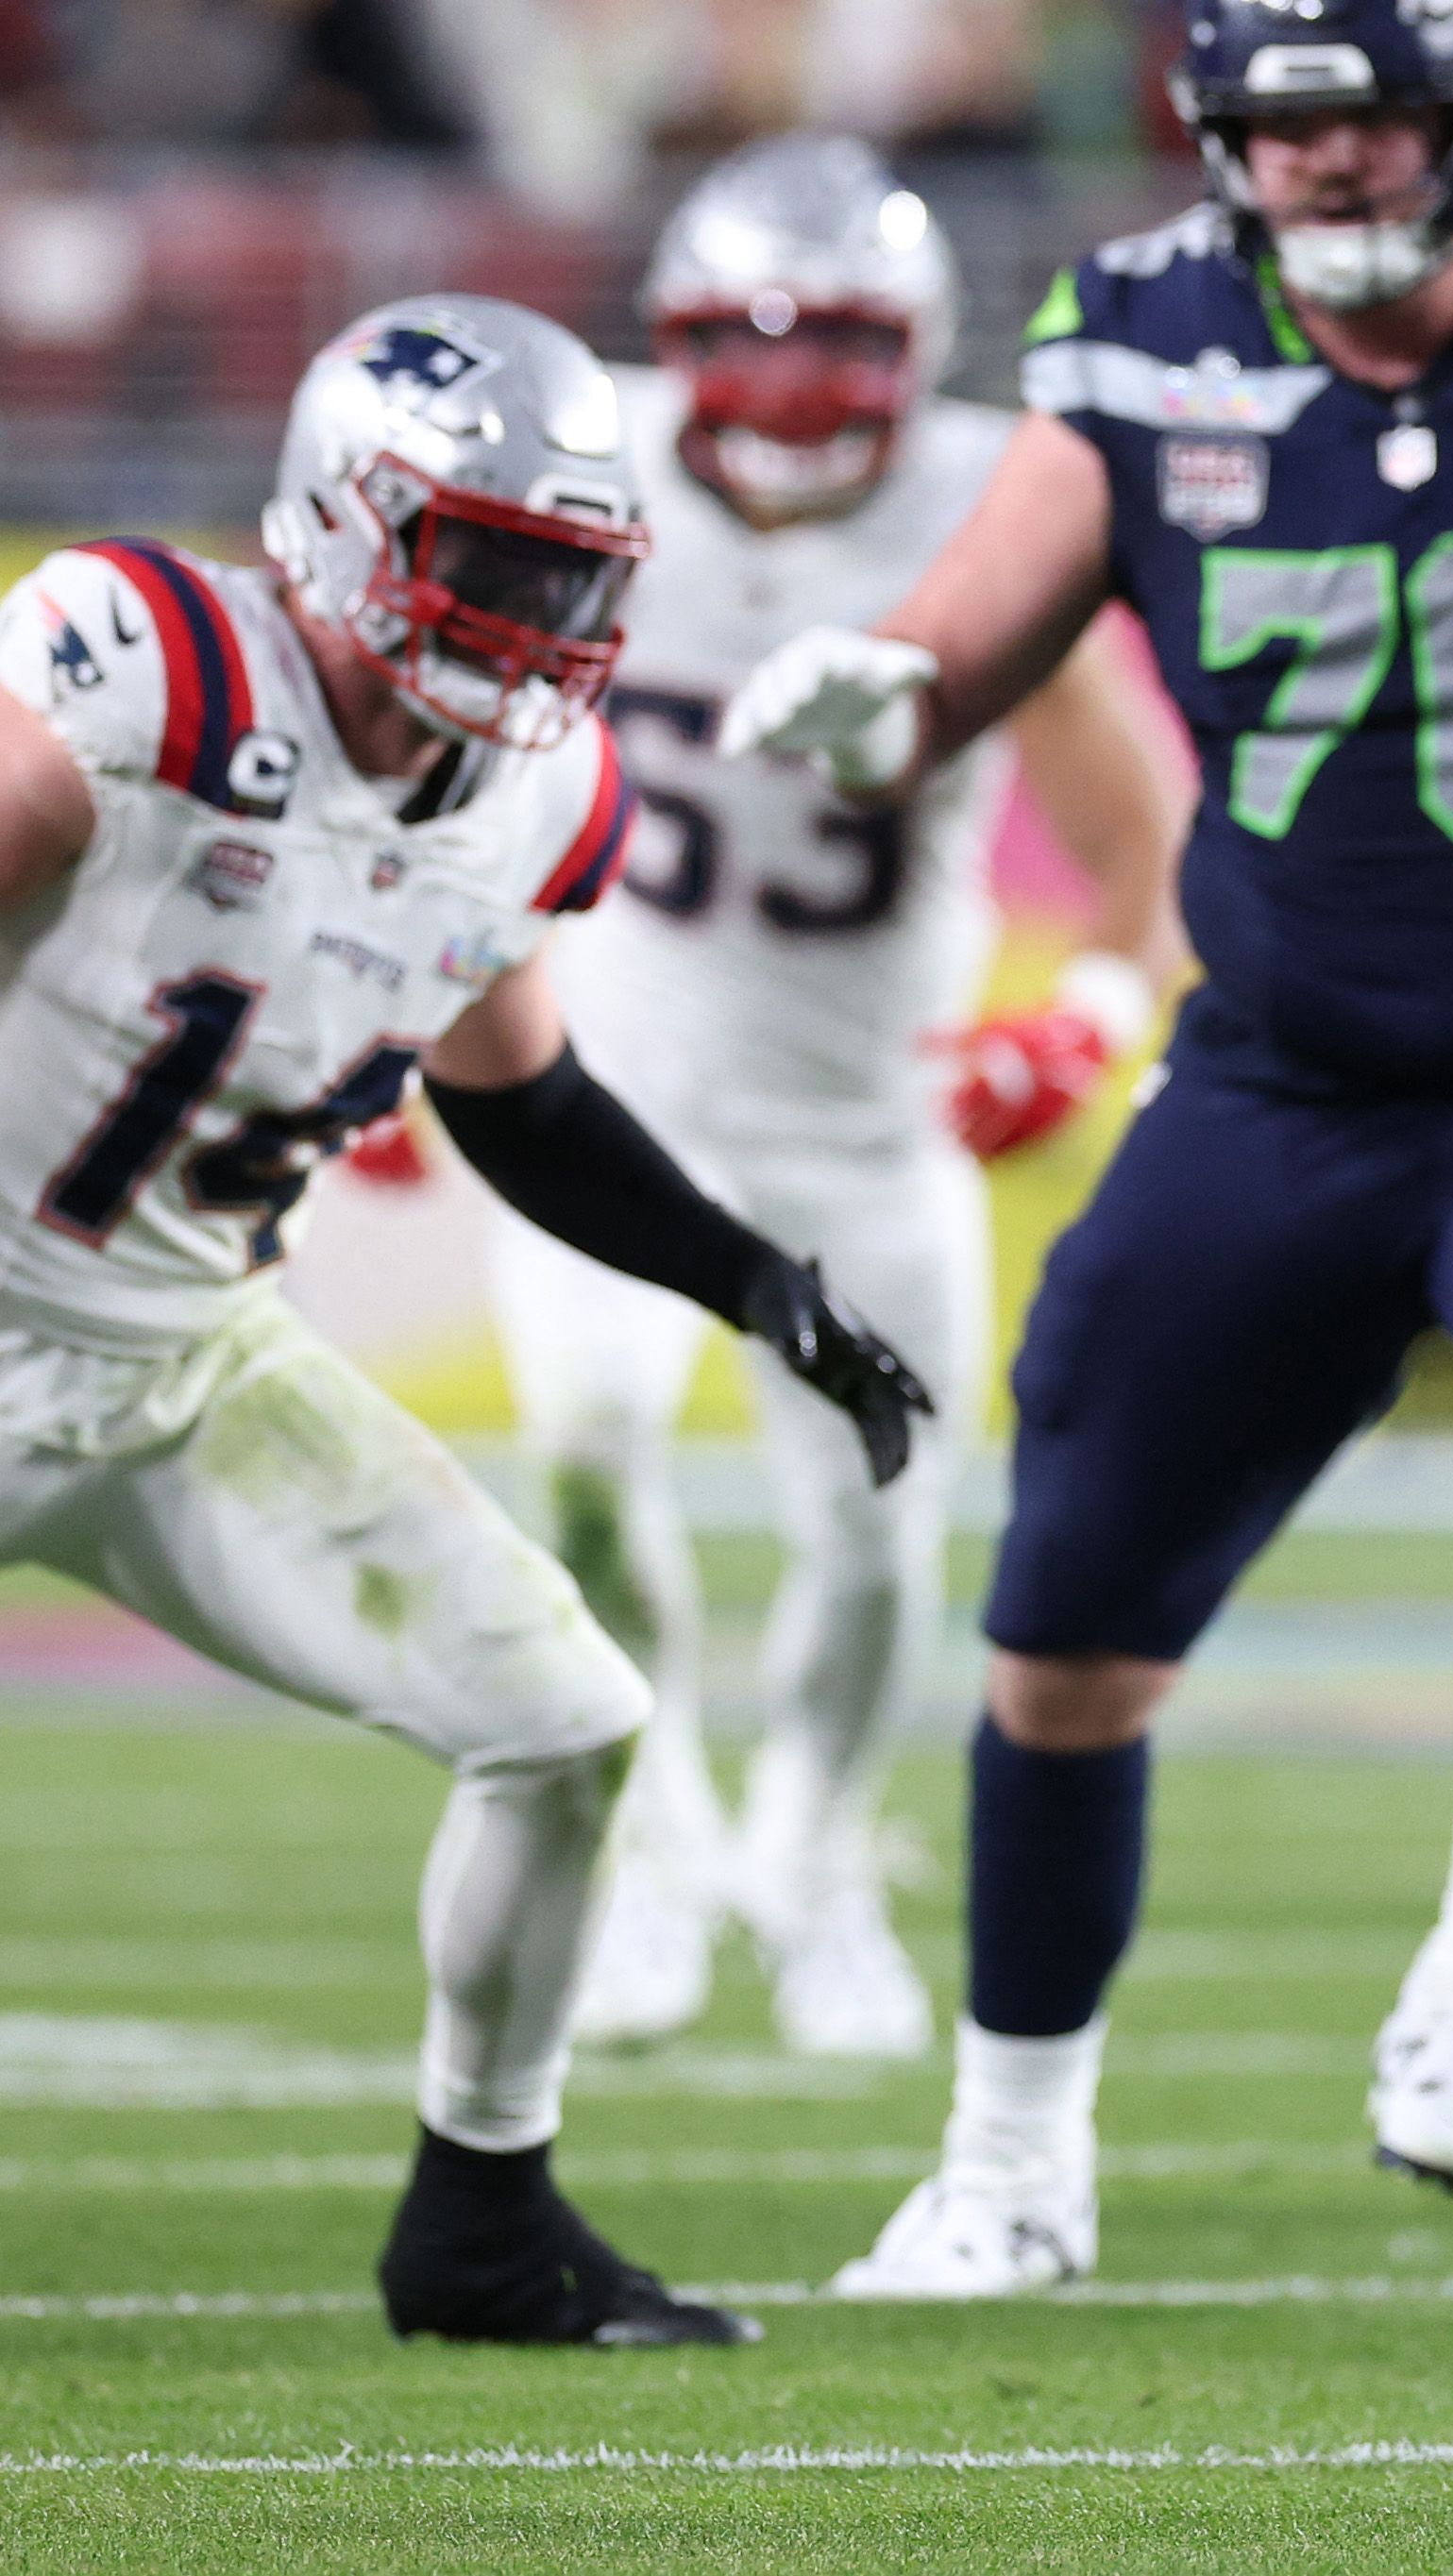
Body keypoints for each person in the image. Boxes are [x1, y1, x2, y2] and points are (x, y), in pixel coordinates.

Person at [720, 0, 1453, 2295]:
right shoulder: (1148, 336)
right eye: (1283, 134)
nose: (1328, 170)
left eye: (1373, 122)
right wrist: (886, 689)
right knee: (1062, 1647)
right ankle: (1010, 2158)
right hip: (1275, 1075)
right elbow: (965, 638)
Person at [0, 296, 925, 2345]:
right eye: (489, 559)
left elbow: (520, 1095)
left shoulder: (532, 790)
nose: (532, 620)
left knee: (565, 1719)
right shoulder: (149, 674)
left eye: (565, 576)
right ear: (344, 521)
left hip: (185, 1361)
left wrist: (754, 1280)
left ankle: (483, 2226)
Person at [460, 136, 1187, 2063]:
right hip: (610, 1101)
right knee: (587, 1456)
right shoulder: (581, 460)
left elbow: (1139, 837)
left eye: (837, 342)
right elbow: (436, 742)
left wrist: (1090, 1015)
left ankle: (818, 1853)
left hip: (864, 1121)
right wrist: (399, 1007)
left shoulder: (985, 499)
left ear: (918, 348)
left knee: (874, 1535)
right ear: (678, 339)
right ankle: (652, 1850)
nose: (789, 389)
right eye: (751, 337)